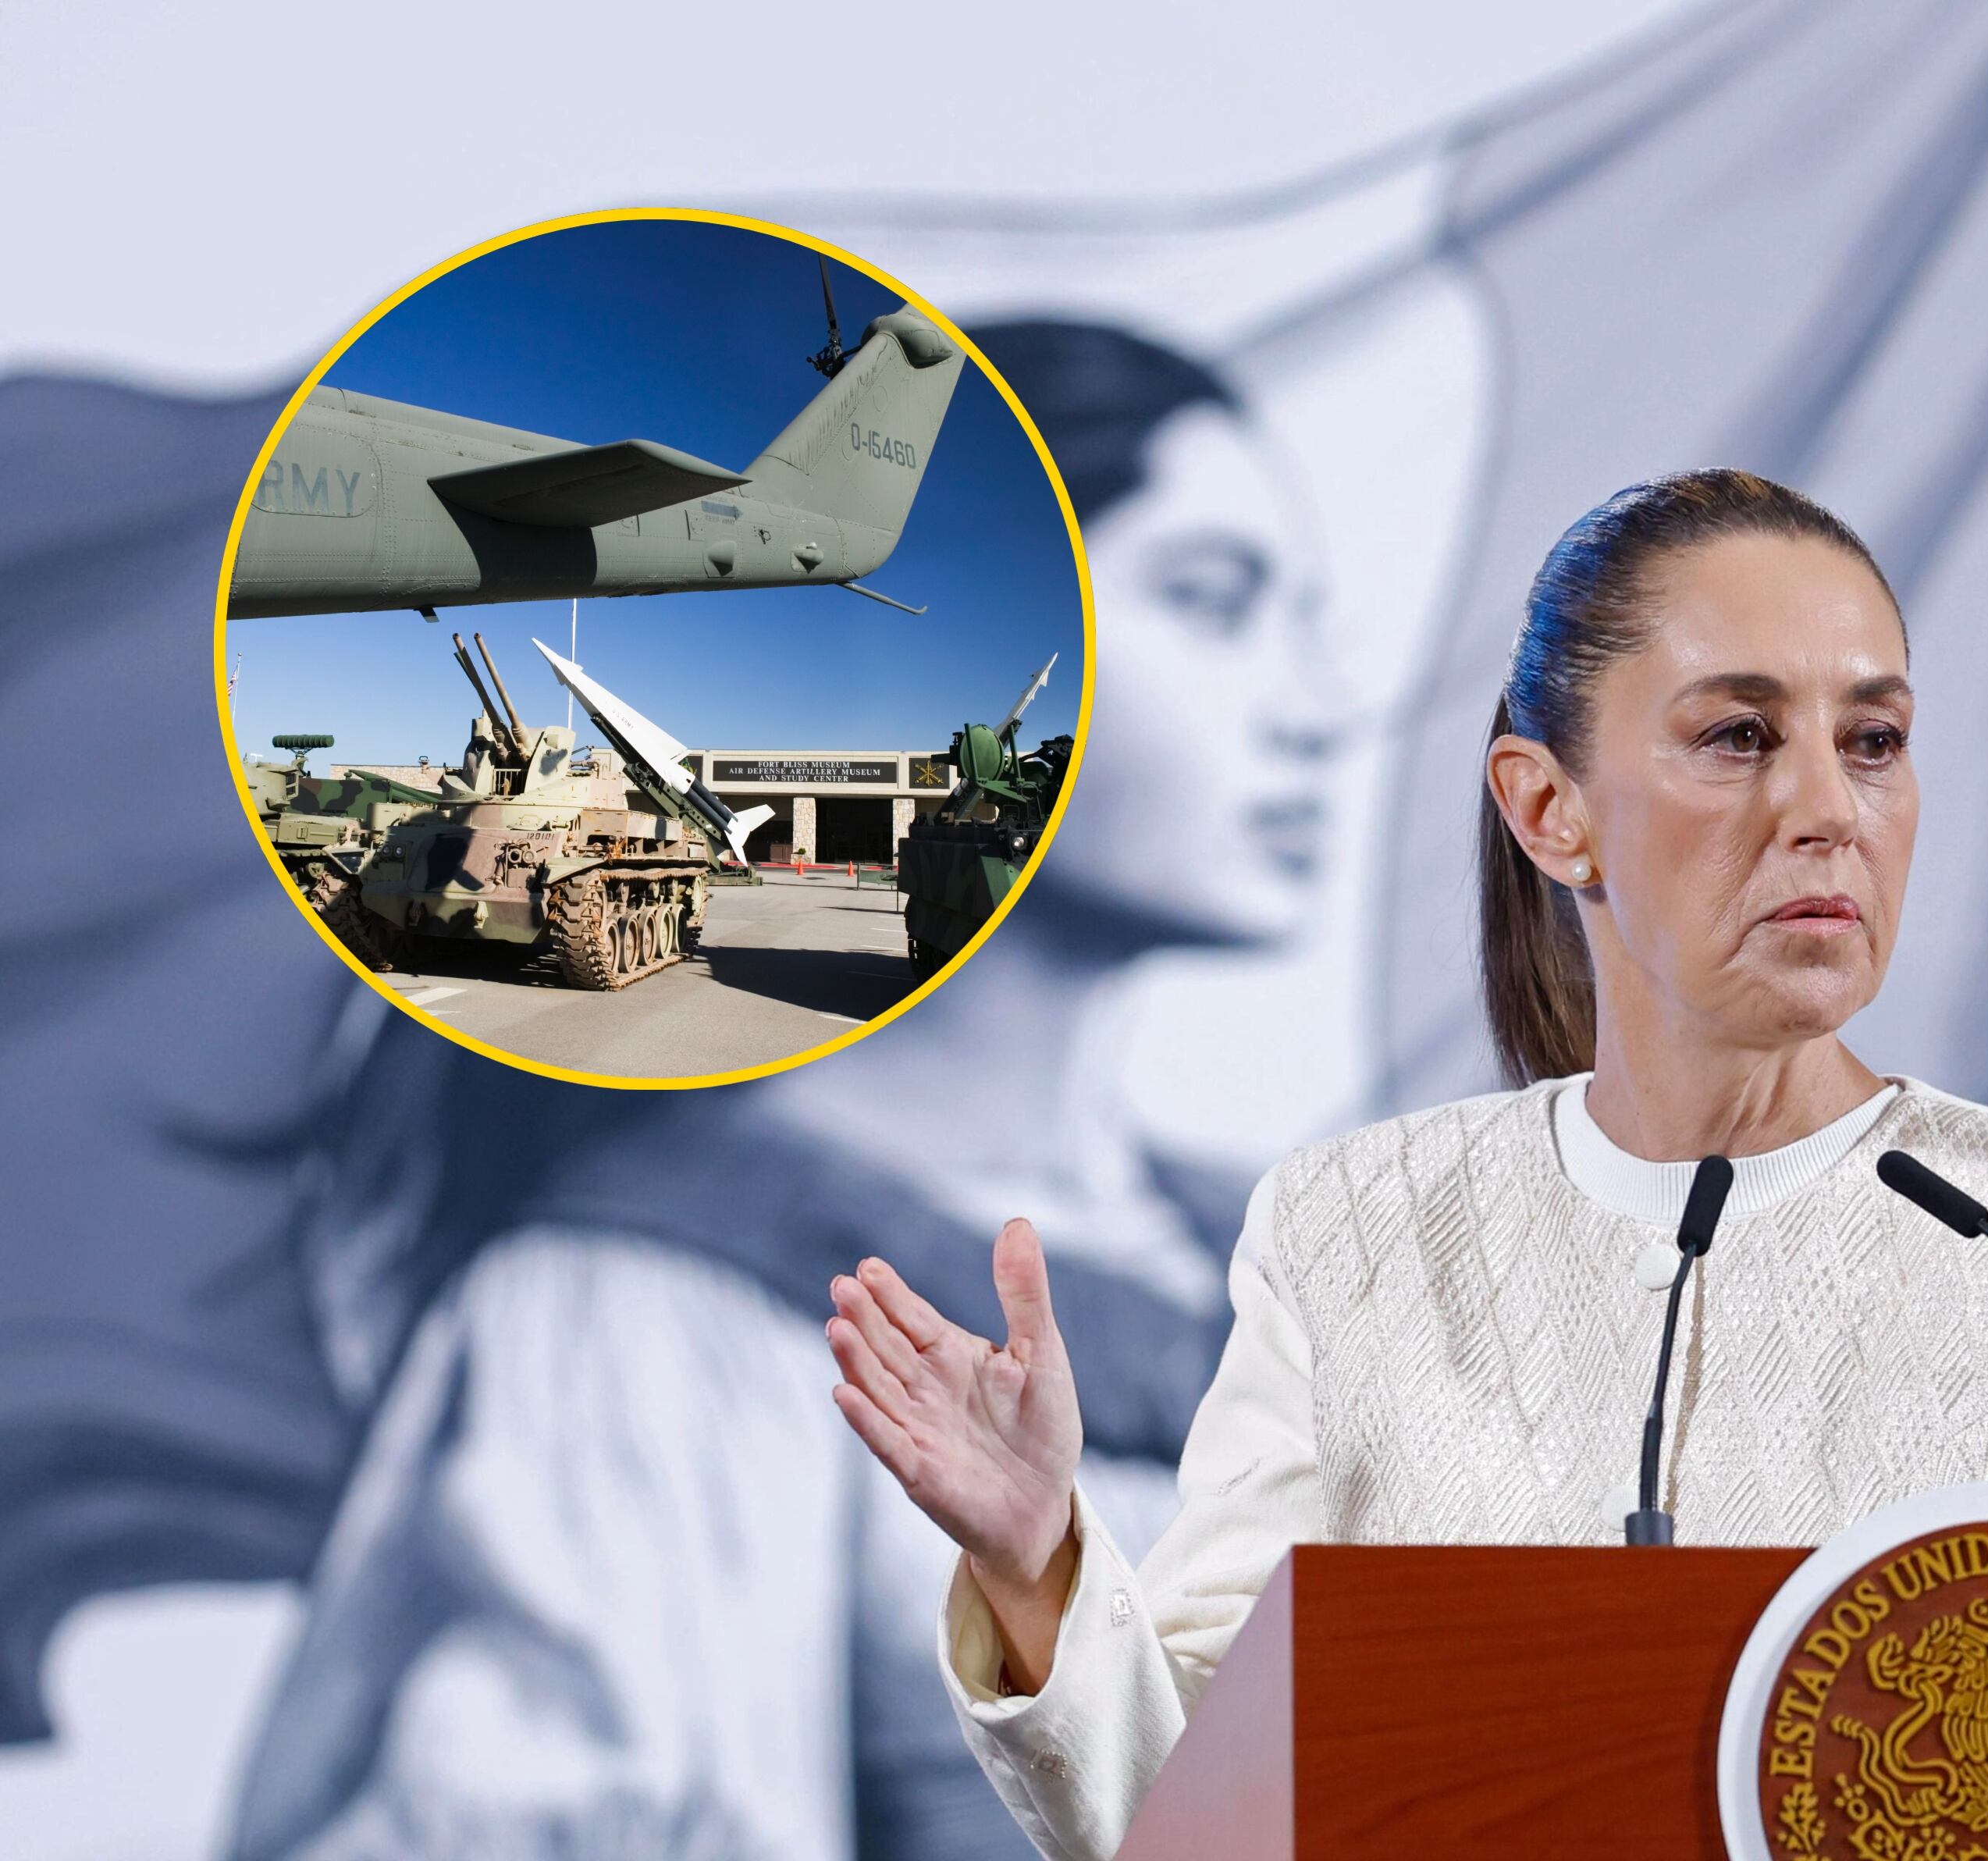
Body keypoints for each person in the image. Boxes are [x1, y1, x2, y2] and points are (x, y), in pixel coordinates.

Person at [823, 469, 1988, 1860]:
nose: (1831, 808)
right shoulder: (1349, 1231)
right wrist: (1035, 1565)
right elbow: (1194, 1817)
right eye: (1742, 736)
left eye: (1873, 741)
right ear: (1550, 810)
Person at [215, 318, 1344, 1861]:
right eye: (1215, 606)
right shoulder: (647, 1309)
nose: (1320, 704)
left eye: (1310, 619)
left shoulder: (1313, 1259)